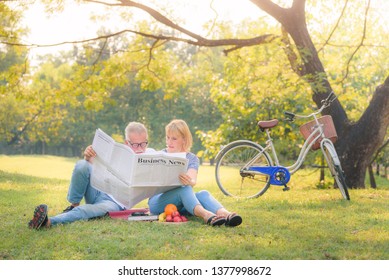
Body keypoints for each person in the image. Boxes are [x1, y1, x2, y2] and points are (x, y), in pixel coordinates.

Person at [28, 122, 151, 229]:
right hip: (99, 189)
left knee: (86, 210)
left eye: (143, 144)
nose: (139, 149)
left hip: (114, 203)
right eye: (135, 144)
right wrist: (88, 156)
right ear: (127, 142)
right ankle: (73, 205)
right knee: (82, 165)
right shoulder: (118, 153)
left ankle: (48, 222)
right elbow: (92, 166)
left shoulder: (151, 156)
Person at [148, 119, 242, 227]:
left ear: (184, 139)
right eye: (167, 137)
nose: (169, 142)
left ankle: (227, 215)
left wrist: (189, 181)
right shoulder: (161, 155)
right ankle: (207, 215)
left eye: (174, 139)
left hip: (179, 205)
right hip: (158, 202)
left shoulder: (192, 158)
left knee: (203, 193)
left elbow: (192, 181)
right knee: (185, 189)